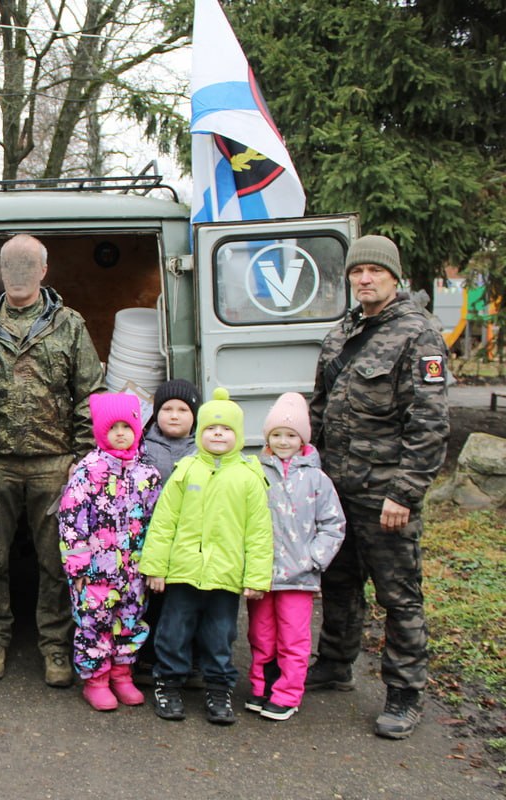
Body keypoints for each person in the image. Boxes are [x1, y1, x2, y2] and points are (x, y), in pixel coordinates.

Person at [307, 234, 450, 740]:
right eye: (357, 272)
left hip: (385, 493)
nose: (365, 279)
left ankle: (405, 692)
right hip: (337, 489)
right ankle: (335, 663)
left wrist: (404, 493)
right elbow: (319, 409)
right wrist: (309, 475)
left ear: (394, 276)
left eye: (375, 271)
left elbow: (429, 424)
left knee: (399, 594)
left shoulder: (419, 335)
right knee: (338, 582)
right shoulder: (341, 333)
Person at [0, 233, 105, 687]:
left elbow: (89, 394)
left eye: (27, 265)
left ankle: (55, 645)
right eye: (10, 266)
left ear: (43, 270)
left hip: (53, 463)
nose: (18, 275)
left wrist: (81, 456)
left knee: (55, 560)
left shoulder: (69, 325)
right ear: (1, 271)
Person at [139, 388, 273, 725]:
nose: (218, 434)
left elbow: (259, 533)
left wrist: (257, 577)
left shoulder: (249, 477)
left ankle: (218, 689)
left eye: (226, 429)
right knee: (173, 632)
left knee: (220, 636)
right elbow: (164, 522)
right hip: (183, 572)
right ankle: (168, 684)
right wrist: (155, 567)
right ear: (200, 432)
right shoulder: (186, 470)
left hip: (224, 576)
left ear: (238, 434)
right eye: (211, 428)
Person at [57, 393, 163, 711]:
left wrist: (154, 563)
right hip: (95, 572)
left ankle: (122, 674)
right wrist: (77, 567)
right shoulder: (88, 471)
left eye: (126, 426)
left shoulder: (147, 475)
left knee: (130, 620)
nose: (120, 433)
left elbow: (158, 522)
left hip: (134, 569)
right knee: (95, 623)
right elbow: (71, 521)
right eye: (112, 427)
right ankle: (97, 679)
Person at [246, 392, 346, 721]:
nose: (283, 441)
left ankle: (288, 693)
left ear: (302, 439)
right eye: (277, 434)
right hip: (263, 573)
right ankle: (262, 687)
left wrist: (313, 559)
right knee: (261, 635)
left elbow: (333, 524)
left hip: (299, 577)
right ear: (267, 438)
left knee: (293, 637)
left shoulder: (317, 479)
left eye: (291, 435)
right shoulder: (255, 472)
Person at [135, 379, 201, 683]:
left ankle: (191, 659)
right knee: (153, 600)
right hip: (152, 538)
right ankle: (148, 658)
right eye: (167, 409)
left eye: (183, 410)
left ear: (195, 415)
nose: (174, 415)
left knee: (188, 601)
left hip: (190, 539)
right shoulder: (143, 446)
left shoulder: (202, 449)